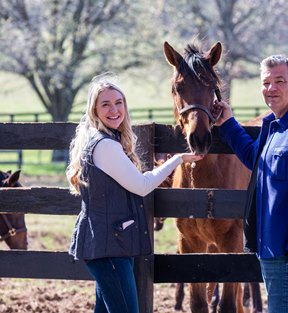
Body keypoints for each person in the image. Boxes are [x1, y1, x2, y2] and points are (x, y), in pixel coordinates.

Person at [66, 76, 203, 313]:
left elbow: (125, 177)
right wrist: (177, 160)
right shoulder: (106, 145)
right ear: (94, 110)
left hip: (107, 243)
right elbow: (141, 185)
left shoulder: (100, 140)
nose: (114, 109)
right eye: (106, 104)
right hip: (109, 246)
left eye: (119, 102)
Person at [212, 55, 288, 312]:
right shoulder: (275, 126)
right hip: (269, 246)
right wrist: (228, 124)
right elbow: (253, 159)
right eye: (266, 82)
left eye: (280, 81)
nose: (271, 88)